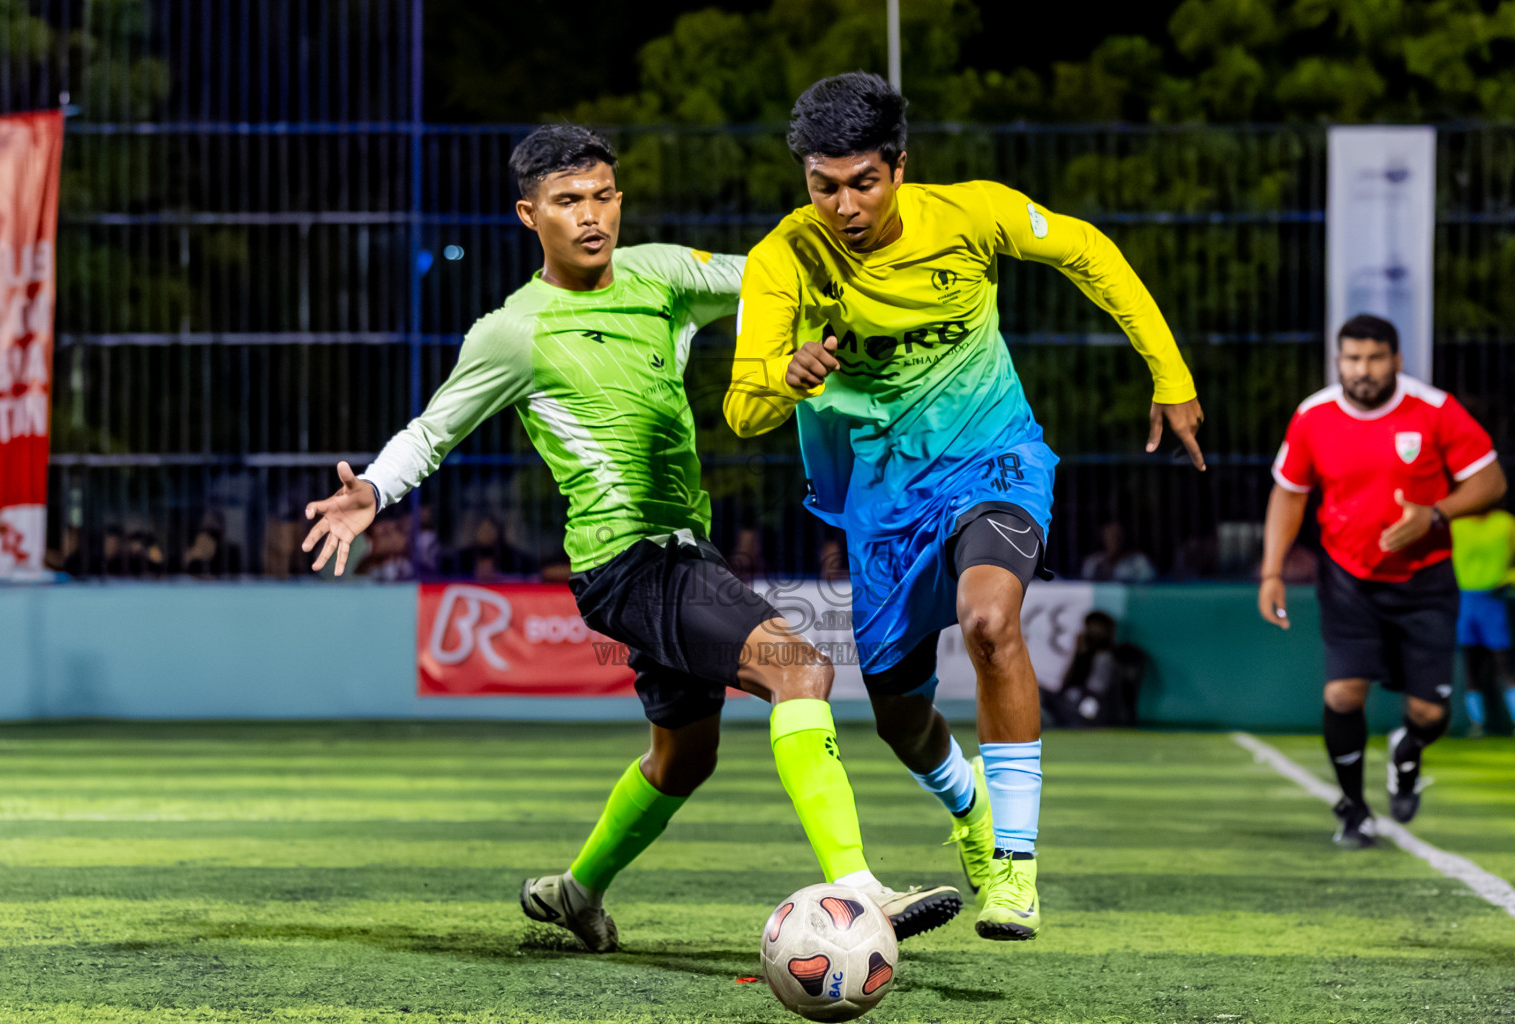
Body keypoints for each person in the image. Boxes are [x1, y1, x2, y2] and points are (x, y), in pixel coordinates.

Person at [300, 124, 959, 953]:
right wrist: (373, 490)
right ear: (528, 215)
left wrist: (864, 259)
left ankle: (577, 891)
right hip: (628, 561)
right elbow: (432, 432)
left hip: (685, 552)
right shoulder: (513, 332)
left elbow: (767, 279)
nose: (591, 216)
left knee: (685, 758)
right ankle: (860, 893)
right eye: (567, 202)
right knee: (802, 668)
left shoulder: (660, 274)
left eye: (603, 196)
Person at [726, 72, 1204, 941]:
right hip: (880, 499)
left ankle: (1015, 866)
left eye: (861, 181)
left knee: (990, 620)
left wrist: (1170, 375)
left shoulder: (975, 214)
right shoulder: (780, 261)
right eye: (822, 185)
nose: (842, 205)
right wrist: (786, 378)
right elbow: (741, 408)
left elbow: (1088, 252)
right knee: (902, 720)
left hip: (995, 458)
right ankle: (972, 815)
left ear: (899, 167)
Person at [1259, 314, 1506, 846]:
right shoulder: (1313, 415)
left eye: (1374, 359)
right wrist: (1272, 570)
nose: (1362, 370)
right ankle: (1354, 809)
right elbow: (1289, 492)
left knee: (1430, 712)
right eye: (1351, 359)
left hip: (1425, 580)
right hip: (1348, 577)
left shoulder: (1435, 410)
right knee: (1344, 693)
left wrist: (1434, 514)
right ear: (1337, 361)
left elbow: (1491, 480)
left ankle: (1409, 750)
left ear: (1396, 360)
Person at [1451, 507, 1515, 737]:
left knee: (1505, 664)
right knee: (1472, 667)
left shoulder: (1505, 522)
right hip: (1465, 600)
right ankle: (1477, 725)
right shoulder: (1456, 524)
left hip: (1494, 600)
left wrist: (1508, 579)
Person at [1080, 522, 1157, 583]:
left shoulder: (1139, 561)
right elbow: (1086, 585)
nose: (1113, 541)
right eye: (1108, 536)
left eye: (1117, 536)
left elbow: (1151, 584)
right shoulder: (1093, 561)